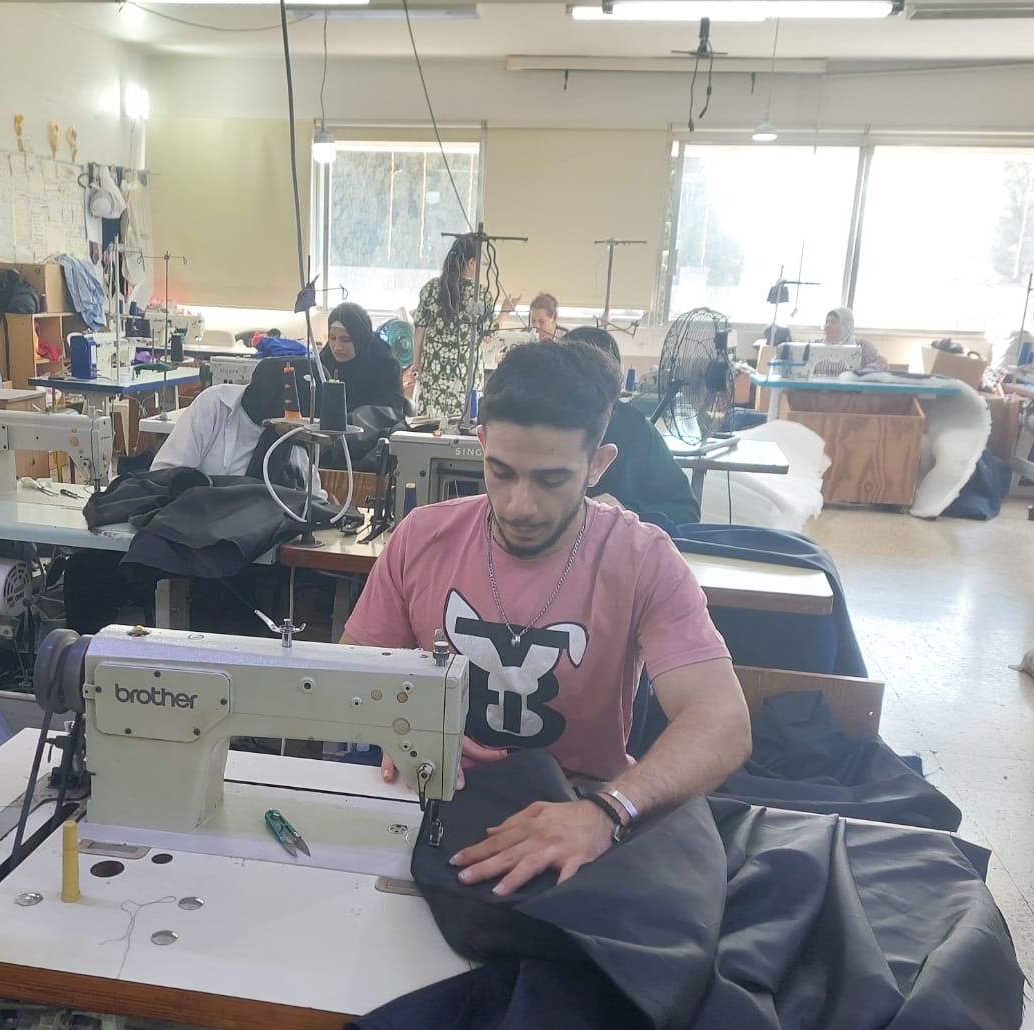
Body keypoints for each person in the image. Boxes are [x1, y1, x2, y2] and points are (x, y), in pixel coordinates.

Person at [343, 338, 751, 898]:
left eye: (550, 479)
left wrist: (610, 810)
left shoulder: (642, 559)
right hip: (435, 796)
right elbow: (355, 676)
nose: (519, 506)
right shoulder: (421, 538)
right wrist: (385, 725)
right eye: (501, 472)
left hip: (579, 813)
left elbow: (724, 722)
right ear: (481, 444)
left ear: (598, 465)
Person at [63, 357, 321, 634]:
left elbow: (315, 497)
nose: (298, 425)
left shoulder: (292, 437)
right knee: (85, 569)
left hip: (242, 556)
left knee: (225, 595)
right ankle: (86, 658)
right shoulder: (215, 406)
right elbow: (165, 472)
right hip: (185, 532)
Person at [563, 325, 700, 524]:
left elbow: (686, 513)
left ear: (614, 386)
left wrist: (627, 513)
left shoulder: (637, 433)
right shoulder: (537, 428)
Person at [412, 234, 513, 421]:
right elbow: (488, 335)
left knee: (430, 424)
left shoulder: (431, 288)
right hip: (466, 373)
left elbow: (420, 329)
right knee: (462, 424)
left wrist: (416, 363)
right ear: (472, 262)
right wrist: (505, 312)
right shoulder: (480, 294)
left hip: (433, 372)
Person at [321, 302, 408, 413]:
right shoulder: (324, 362)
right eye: (332, 338)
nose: (337, 347)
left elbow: (392, 414)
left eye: (346, 340)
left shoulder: (386, 366)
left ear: (360, 338)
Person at [816, 306, 888, 376]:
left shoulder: (861, 345)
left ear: (846, 325)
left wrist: (858, 375)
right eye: (827, 322)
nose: (828, 326)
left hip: (849, 388)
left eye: (833, 322)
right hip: (816, 388)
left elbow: (881, 363)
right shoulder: (817, 344)